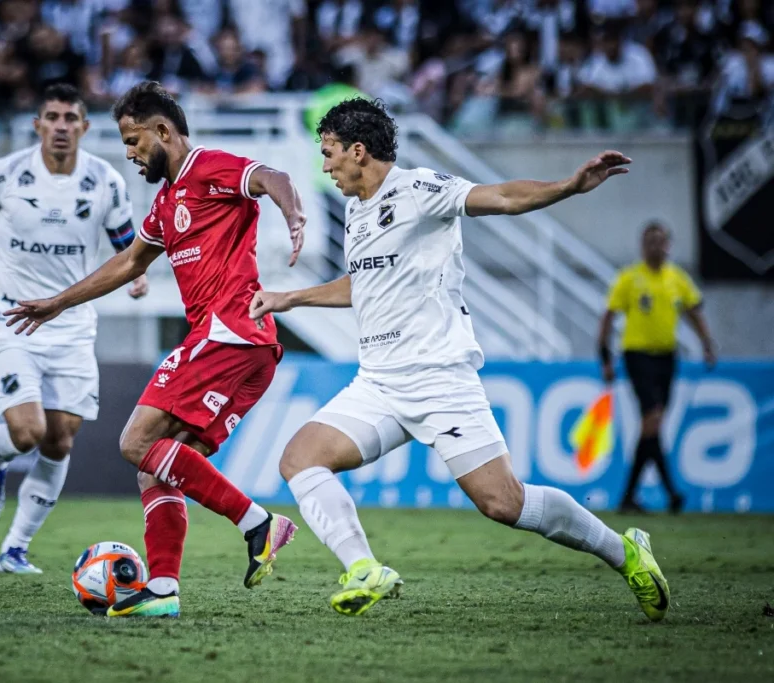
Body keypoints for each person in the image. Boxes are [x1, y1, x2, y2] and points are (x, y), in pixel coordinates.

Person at [250, 98, 670, 622]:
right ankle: (363, 569)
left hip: (439, 377)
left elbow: (503, 197)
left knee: (503, 503)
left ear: (359, 151)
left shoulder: (421, 190)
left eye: (330, 152)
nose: (325, 164)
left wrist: (567, 186)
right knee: (299, 458)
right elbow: (364, 285)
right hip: (379, 382)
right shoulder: (357, 211)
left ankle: (624, 549)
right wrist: (290, 298)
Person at [3, 81, 306, 618]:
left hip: (229, 332)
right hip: (240, 348)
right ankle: (163, 592)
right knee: (154, 469)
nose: (129, 152)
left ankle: (258, 523)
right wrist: (58, 302)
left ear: (163, 130)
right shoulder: (167, 202)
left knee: (135, 440)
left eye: (134, 139)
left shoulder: (210, 167)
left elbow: (271, 177)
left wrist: (294, 213)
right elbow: (127, 263)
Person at [0, 84, 149, 574]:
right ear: (38, 124)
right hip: (14, 318)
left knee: (60, 440)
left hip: (74, 324)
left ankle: (14, 548)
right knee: (27, 430)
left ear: (83, 127)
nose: (61, 126)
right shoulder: (5, 174)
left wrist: (138, 276)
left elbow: (128, 244)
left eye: (70, 118)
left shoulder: (106, 180)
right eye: (52, 117)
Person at [599, 222, 716, 514]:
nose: (655, 247)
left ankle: (631, 497)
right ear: (642, 246)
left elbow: (694, 312)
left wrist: (707, 343)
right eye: (650, 241)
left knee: (653, 426)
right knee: (652, 419)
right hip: (637, 355)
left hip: (667, 357)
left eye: (660, 241)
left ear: (668, 246)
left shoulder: (677, 279)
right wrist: (605, 357)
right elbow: (608, 318)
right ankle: (670, 491)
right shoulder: (629, 278)